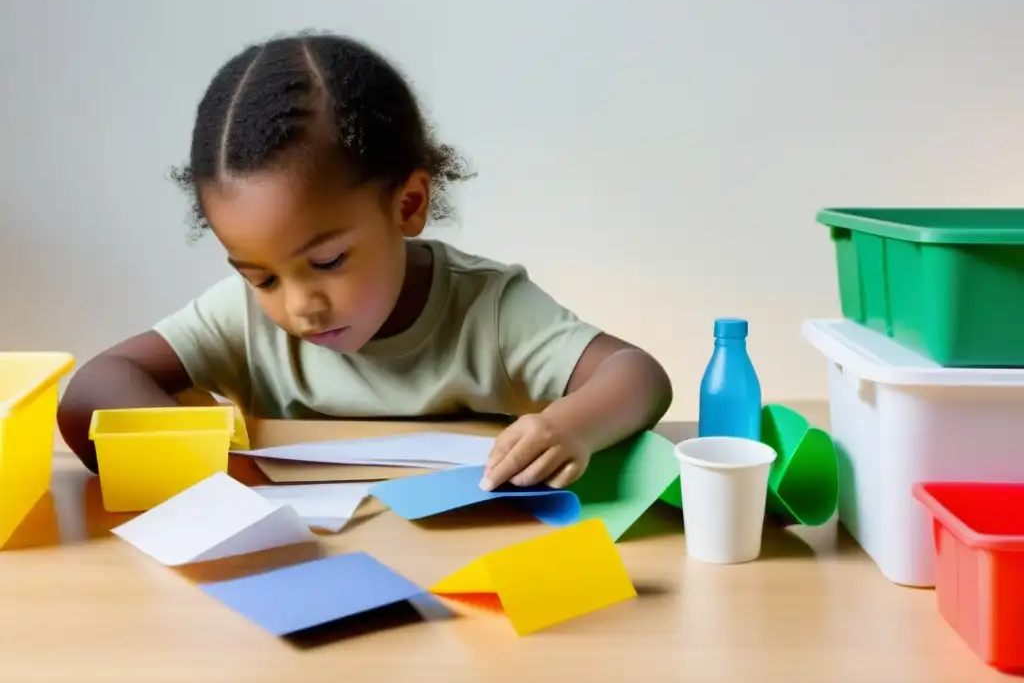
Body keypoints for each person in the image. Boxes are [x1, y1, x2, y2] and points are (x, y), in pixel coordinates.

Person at [57, 31, 673, 491]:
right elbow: (91, 390)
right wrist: (202, 462)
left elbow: (637, 375)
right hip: (300, 584)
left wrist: (571, 426)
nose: (299, 306)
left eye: (327, 261)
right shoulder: (244, 320)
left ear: (407, 205)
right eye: (262, 276)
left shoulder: (489, 309)